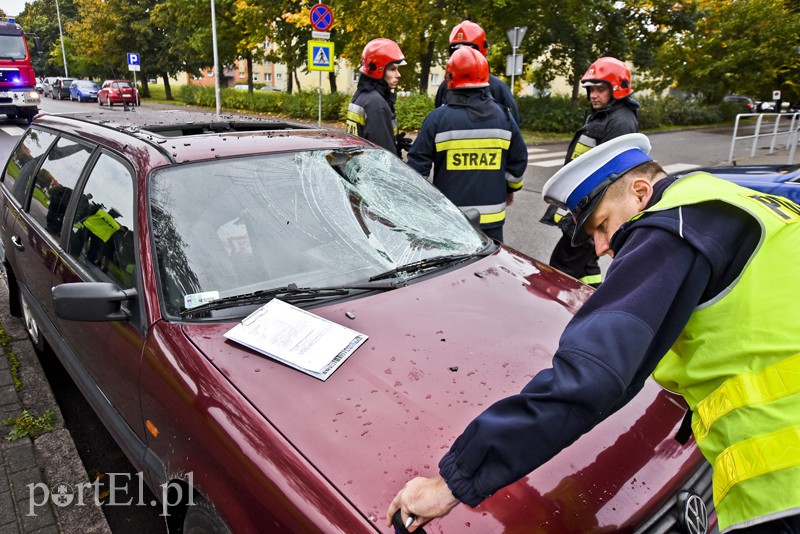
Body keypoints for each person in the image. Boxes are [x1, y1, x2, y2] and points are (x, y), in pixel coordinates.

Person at [387, 133, 800, 534]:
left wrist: (451, 483)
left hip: (783, 479)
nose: (602, 247)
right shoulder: (737, 201)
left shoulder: (671, 227)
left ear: (641, 192)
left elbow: (589, 379)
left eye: (601, 225)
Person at [406, 46, 527, 242]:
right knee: (492, 270)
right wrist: (510, 189)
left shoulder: (437, 119)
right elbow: (519, 161)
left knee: (455, 272)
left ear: (450, 78)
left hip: (450, 219)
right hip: (493, 221)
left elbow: (416, 168)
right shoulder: (505, 118)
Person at [542, 56, 640, 287]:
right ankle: (591, 296)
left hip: (590, 214)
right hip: (585, 209)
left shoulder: (620, 122)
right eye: (591, 90)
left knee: (558, 270)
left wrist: (584, 221)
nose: (593, 95)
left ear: (616, 90)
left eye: (600, 89)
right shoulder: (607, 115)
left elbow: (611, 178)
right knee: (586, 267)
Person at [434, 20, 520, 124]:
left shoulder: (498, 88)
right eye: (457, 50)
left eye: (469, 49)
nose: (463, 55)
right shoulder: (445, 87)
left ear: (483, 50)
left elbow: (512, 125)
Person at [346, 38, 409, 155]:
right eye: (393, 69)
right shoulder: (376, 103)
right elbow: (384, 155)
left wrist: (394, 141)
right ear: (379, 70)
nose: (398, 75)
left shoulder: (361, 95)